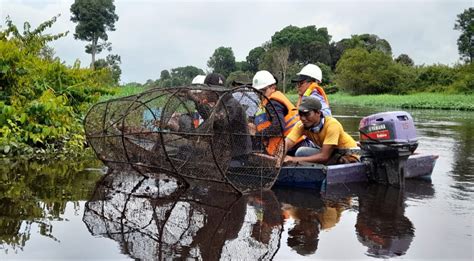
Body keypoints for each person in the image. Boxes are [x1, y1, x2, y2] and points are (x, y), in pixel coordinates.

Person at [284, 96, 360, 165]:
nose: (303, 118)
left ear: (318, 113)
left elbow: (324, 157)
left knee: (299, 157)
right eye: (300, 114)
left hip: (349, 155)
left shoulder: (332, 125)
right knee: (300, 152)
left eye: (307, 114)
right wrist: (278, 157)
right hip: (332, 154)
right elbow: (286, 143)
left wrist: (293, 159)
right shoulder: (301, 125)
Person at [248, 70, 300, 155]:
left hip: (293, 146)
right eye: (257, 92)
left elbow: (278, 126)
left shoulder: (273, 102)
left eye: (263, 91)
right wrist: (251, 121)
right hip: (285, 145)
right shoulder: (265, 101)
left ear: (273, 87)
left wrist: (257, 134)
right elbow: (260, 116)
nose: (260, 94)